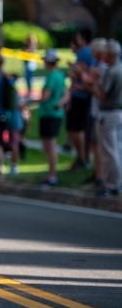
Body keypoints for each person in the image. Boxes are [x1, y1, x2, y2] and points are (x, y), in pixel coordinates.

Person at [30, 49, 67, 186]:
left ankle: (52, 175)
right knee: (49, 145)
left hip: (49, 114)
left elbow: (45, 97)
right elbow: (66, 93)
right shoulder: (60, 75)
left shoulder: (52, 76)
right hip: (55, 113)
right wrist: (61, 102)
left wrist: (28, 102)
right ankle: (51, 175)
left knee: (49, 146)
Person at [93, 39, 122, 196]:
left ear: (110, 54)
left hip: (110, 113)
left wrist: (94, 81)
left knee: (110, 151)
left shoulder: (112, 71)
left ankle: (112, 185)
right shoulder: (120, 68)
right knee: (116, 149)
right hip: (118, 112)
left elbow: (101, 93)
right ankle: (115, 183)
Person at [66, 28, 95, 171]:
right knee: (84, 127)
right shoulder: (92, 52)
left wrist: (73, 71)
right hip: (88, 95)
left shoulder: (83, 53)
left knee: (76, 128)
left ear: (83, 38)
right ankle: (84, 158)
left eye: (78, 37)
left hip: (80, 96)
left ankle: (82, 158)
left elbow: (80, 74)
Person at [83, 38, 109, 188]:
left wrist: (89, 78)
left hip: (101, 111)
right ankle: (98, 174)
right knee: (95, 144)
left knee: (99, 145)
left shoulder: (105, 68)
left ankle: (101, 176)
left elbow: (99, 91)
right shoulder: (99, 66)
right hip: (96, 110)